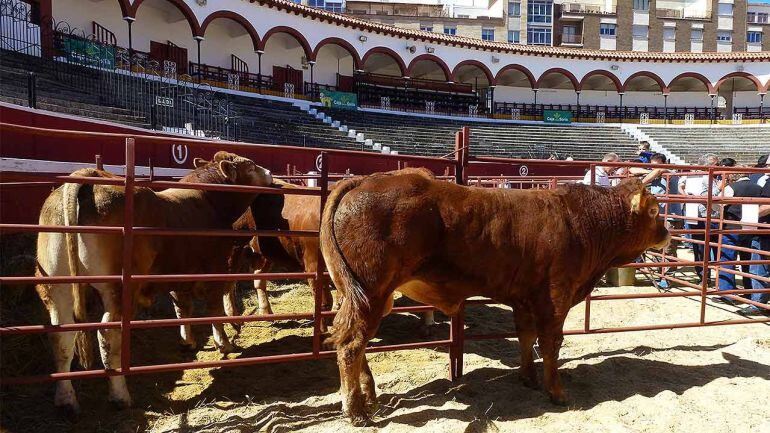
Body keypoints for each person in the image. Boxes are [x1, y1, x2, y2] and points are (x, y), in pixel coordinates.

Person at [715, 161, 761, 303]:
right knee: (748, 260)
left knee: (726, 259)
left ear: (733, 176)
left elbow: (718, 206)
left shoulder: (731, 188)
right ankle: (749, 291)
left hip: (732, 228)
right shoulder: (759, 188)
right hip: (751, 227)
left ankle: (727, 293)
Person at [678, 153, 719, 283]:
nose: (718, 166)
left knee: (701, 247)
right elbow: (714, 195)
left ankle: (704, 277)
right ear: (707, 165)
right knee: (709, 247)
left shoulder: (691, 176)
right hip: (707, 215)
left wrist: (687, 197)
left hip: (697, 214)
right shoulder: (707, 178)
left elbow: (681, 185)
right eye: (715, 164)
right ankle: (708, 277)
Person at [739, 173, 770, 316]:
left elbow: (766, 206)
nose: (766, 169)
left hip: (765, 231)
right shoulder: (766, 181)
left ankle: (758, 304)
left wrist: (751, 215)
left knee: (759, 268)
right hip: (763, 230)